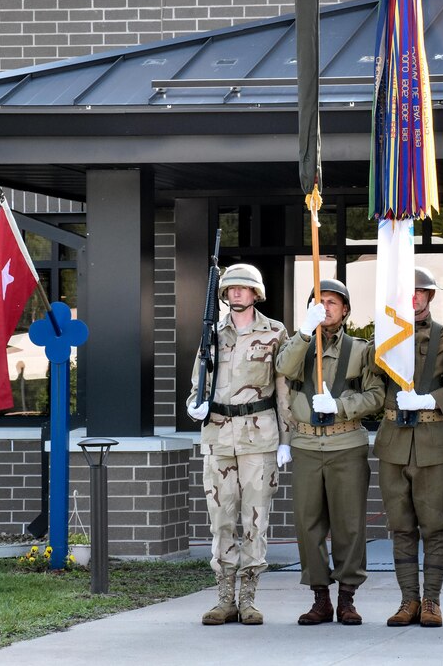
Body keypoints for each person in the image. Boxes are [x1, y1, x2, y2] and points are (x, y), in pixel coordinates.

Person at [185, 263, 292, 627]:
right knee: (221, 519)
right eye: (230, 288)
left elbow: (283, 389)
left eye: (243, 288)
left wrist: (286, 439)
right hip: (218, 436)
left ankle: (248, 599)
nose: (236, 293)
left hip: (259, 437)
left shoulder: (275, 331)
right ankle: (224, 598)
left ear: (255, 294)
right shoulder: (211, 333)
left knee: (255, 520)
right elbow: (197, 385)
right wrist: (193, 407)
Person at [275, 279, 385, 626]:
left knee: (348, 524)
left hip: (345, 444)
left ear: (346, 310)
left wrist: (338, 404)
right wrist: (305, 332)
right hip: (306, 444)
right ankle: (320, 597)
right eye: (318, 302)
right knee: (308, 524)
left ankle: (347, 598)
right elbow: (283, 369)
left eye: (332, 302)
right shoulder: (298, 344)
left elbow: (376, 396)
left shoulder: (359, 349)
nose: (326, 307)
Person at [375, 267, 443, 629]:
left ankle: (431, 599)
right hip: (393, 444)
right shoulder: (385, 338)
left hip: (434, 444)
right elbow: (371, 387)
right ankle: (408, 601)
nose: (414, 297)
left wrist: (429, 400)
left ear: (430, 297)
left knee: (435, 527)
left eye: (421, 292)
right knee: (401, 527)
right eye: (409, 292)